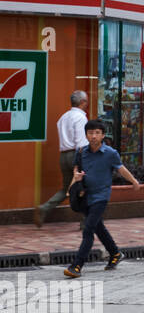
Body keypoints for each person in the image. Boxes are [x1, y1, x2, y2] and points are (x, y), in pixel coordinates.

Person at [64, 119, 141, 278]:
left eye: (97, 133)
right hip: (86, 196)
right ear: (86, 135)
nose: (93, 136)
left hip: (101, 196)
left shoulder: (110, 154)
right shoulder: (81, 152)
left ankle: (77, 265)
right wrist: (71, 186)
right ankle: (115, 254)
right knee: (98, 228)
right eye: (90, 133)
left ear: (103, 135)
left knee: (88, 229)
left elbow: (121, 169)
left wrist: (133, 181)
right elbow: (76, 173)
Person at [35, 90, 89, 227]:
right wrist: (82, 160)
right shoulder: (81, 118)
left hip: (63, 156)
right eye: (86, 101)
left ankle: (45, 208)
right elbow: (81, 142)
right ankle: (85, 220)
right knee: (85, 186)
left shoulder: (63, 117)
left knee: (66, 188)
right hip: (76, 155)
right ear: (82, 102)